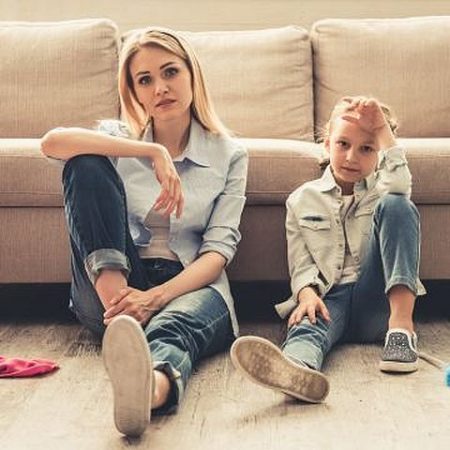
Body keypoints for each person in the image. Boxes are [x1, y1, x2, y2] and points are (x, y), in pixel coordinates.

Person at [41, 27, 248, 436]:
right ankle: (123, 320)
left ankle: (149, 389)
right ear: (134, 92)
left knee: (172, 327)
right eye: (145, 80)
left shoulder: (230, 154)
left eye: (170, 72)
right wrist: (151, 151)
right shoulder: (118, 139)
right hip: (113, 288)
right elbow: (52, 142)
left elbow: (217, 253)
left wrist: (154, 298)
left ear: (191, 74)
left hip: (186, 287)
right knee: (85, 163)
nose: (160, 88)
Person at [230, 96, 424, 404]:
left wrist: (383, 131)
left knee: (399, 205)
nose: (351, 157)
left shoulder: (384, 189)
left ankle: (402, 331)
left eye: (367, 148)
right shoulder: (301, 199)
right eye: (343, 144)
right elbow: (301, 262)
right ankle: (296, 370)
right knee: (308, 323)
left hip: (377, 302)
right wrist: (306, 294)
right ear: (327, 144)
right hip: (330, 298)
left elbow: (400, 186)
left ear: (380, 153)